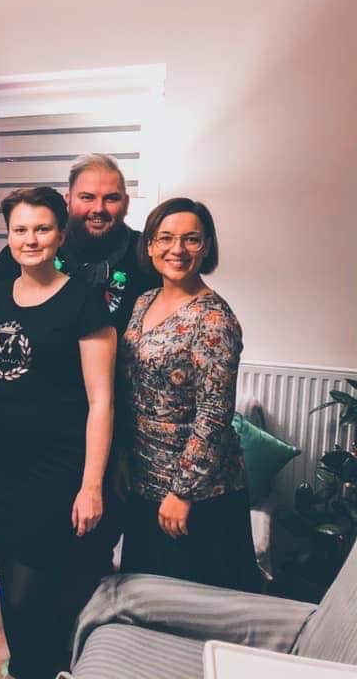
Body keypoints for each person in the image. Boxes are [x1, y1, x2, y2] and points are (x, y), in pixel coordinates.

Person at [0, 187, 116, 679]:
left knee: (38, 588)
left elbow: (101, 400)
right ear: (8, 235)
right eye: (20, 230)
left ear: (60, 234)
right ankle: (25, 669)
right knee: (11, 581)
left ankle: (41, 668)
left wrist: (91, 485)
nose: (30, 239)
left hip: (56, 468)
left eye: (42, 229)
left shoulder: (82, 299)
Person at [117, 197, 259, 592]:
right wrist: (125, 456)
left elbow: (214, 413)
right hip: (146, 483)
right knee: (146, 601)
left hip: (198, 495)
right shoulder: (145, 301)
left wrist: (183, 492)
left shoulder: (214, 319)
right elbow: (132, 390)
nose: (176, 250)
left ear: (207, 246)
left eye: (191, 239)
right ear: (149, 245)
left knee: (193, 608)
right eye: (165, 238)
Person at [0, 153, 158, 334]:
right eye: (87, 197)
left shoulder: (147, 254)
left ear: (126, 203)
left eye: (111, 198)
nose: (98, 208)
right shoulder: (30, 251)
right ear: (68, 200)